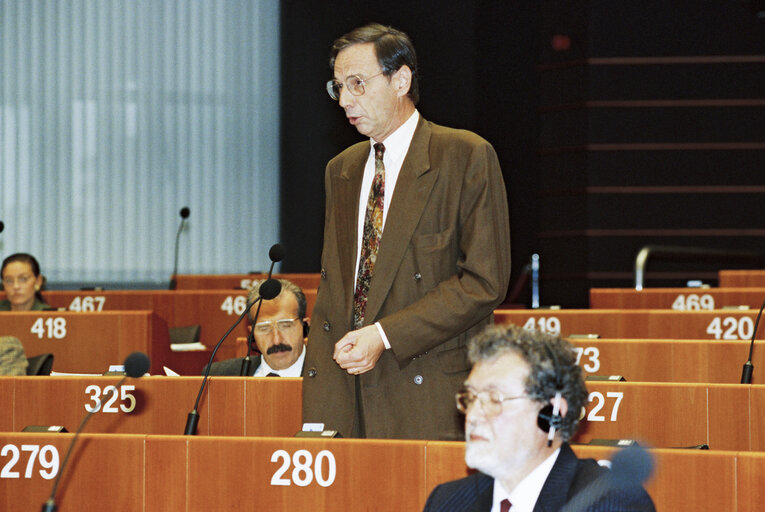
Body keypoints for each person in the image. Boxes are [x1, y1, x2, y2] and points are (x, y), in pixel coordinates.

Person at [302, 23, 511, 440]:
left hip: (425, 387)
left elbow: (483, 282)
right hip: (344, 390)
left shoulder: (464, 156)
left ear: (401, 80)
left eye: (358, 84)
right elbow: (339, 288)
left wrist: (383, 335)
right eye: (338, 86)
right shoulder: (340, 169)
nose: (345, 100)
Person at [423, 325, 655, 511]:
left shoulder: (611, 503)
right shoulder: (447, 501)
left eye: (494, 398)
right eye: (471, 398)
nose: (473, 415)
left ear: (552, 413)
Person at [205, 278, 309, 377]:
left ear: (305, 327)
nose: (276, 340)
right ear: (252, 334)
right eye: (264, 328)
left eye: (286, 326)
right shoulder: (218, 375)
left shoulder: (325, 377)